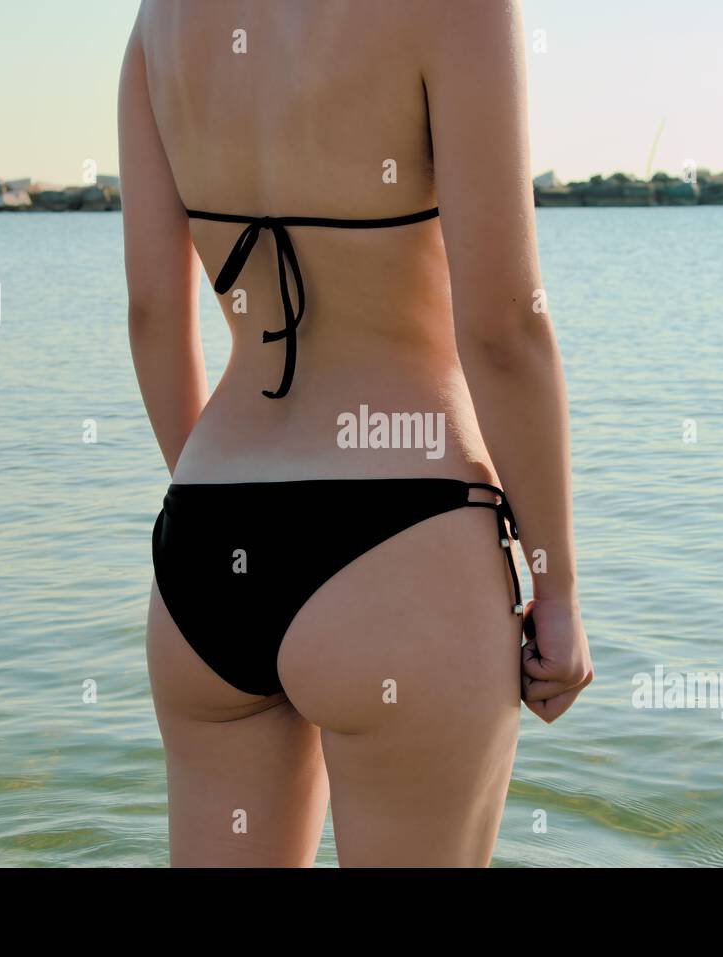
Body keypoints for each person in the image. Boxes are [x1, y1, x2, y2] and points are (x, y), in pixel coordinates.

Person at [119, 0, 591, 867]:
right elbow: (504, 329)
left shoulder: (163, 20)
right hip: (405, 536)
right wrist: (554, 583)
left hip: (208, 548)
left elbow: (153, 315)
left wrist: (221, 533)